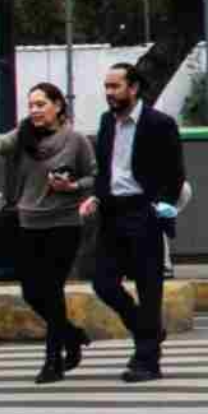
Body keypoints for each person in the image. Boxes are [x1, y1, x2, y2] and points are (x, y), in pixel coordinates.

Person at [0, 83, 98, 383]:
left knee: (52, 289)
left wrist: (72, 187)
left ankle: (52, 362)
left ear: (58, 106)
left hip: (64, 224)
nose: (34, 110)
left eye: (41, 104)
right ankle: (72, 336)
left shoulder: (76, 140)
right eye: (31, 104)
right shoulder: (24, 135)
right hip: (29, 223)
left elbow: (94, 176)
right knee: (32, 292)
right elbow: (3, 140)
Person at [79, 62, 185, 383]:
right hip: (112, 214)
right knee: (104, 283)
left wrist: (161, 208)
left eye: (116, 87)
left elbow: (175, 173)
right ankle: (147, 330)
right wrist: (96, 197)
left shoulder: (159, 123)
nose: (109, 93)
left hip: (144, 212)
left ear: (134, 88)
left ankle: (147, 360)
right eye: (107, 87)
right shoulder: (106, 123)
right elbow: (106, 169)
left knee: (148, 288)